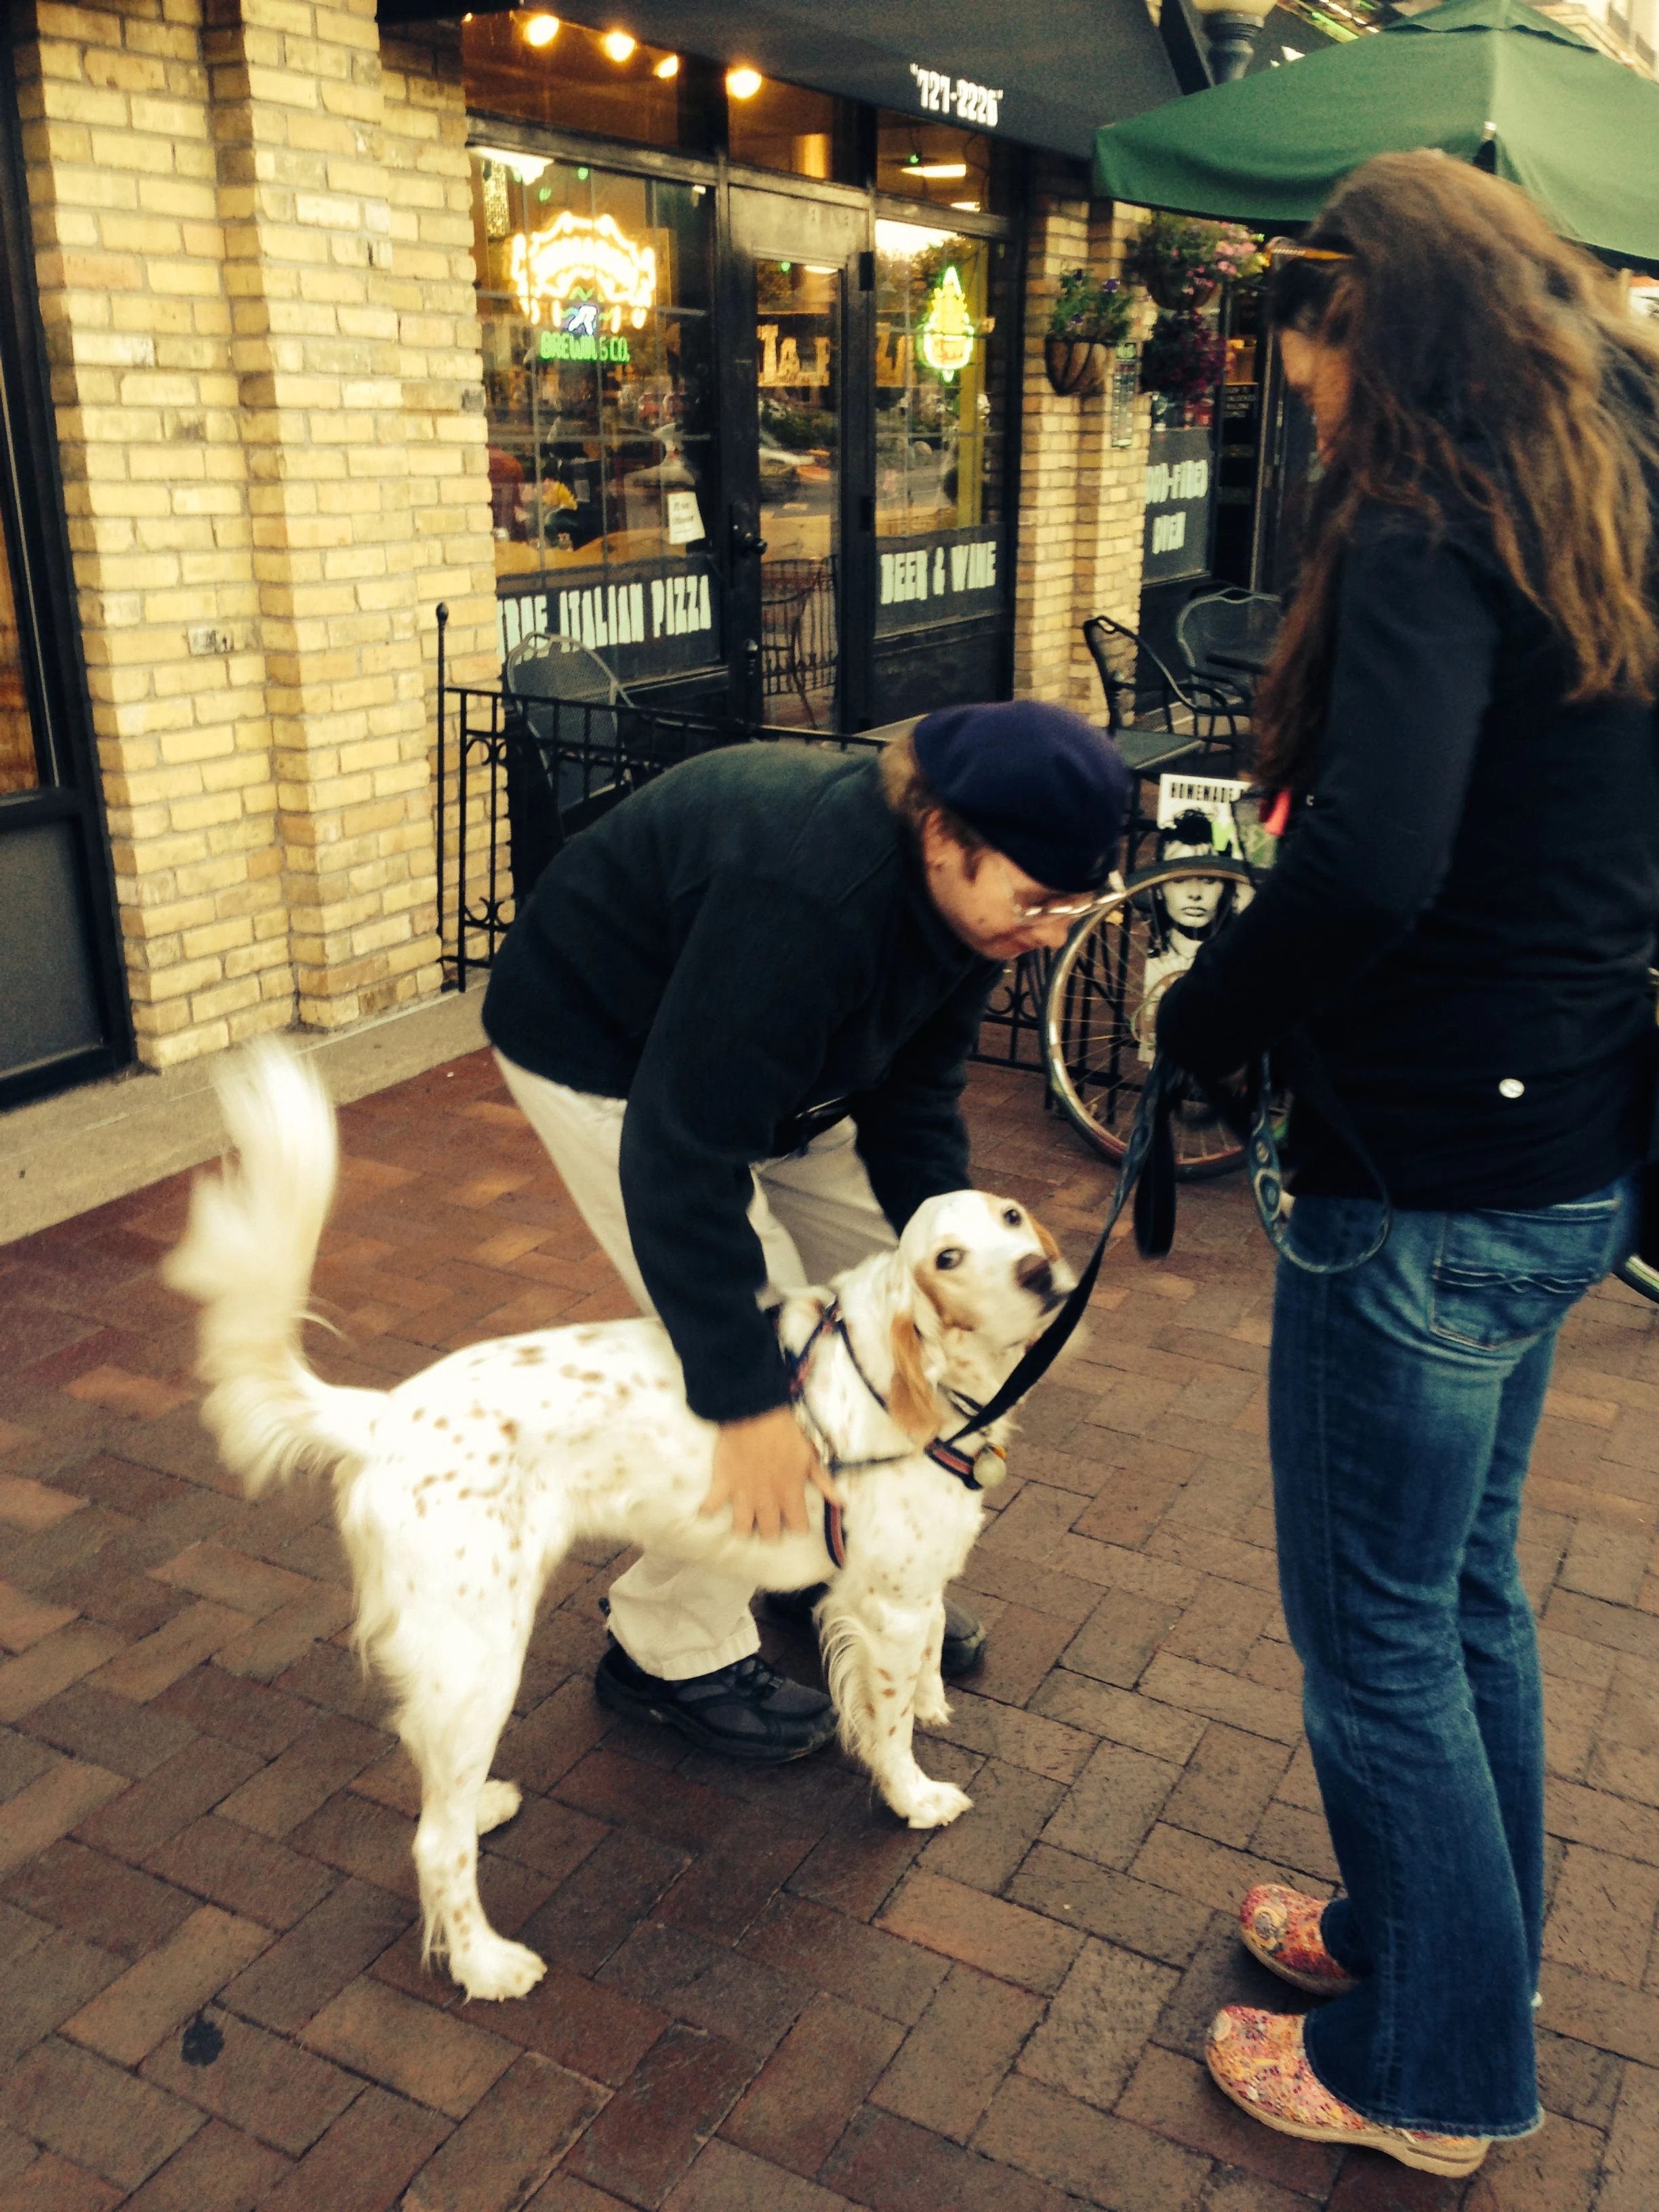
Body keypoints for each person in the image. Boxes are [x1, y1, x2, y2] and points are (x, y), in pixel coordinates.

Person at [1156, 151, 1659, 2178]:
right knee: (1457, 1599)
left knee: (1376, 1630)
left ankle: (1433, 2071)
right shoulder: (1608, 499)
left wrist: (1211, 1020)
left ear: (1374, 323)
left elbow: (1369, 858)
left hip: (1434, 1170)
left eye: (1309, 368)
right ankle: (1436, 1947)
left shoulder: (1433, 527)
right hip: (1566, 1150)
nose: (1307, 410)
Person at [481, 703, 1130, 1762]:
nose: (1054, 929)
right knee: (783, 1365)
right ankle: (668, 1645)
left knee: (881, 1292)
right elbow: (681, 1153)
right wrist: (749, 1407)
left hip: (775, 1073)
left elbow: (918, 1093)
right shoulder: (806, 893)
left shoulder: (981, 905)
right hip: (609, 1058)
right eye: (1040, 901)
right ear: (940, 837)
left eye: (1077, 903)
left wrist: (944, 1247)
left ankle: (830, 1553)